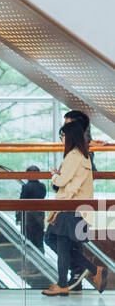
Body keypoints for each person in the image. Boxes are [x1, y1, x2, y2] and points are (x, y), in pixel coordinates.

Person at [42, 116, 108, 296]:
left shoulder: (73, 156)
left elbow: (62, 180)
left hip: (70, 206)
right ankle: (79, 276)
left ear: (70, 137)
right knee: (62, 244)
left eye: (63, 135)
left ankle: (83, 273)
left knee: (55, 241)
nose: (62, 139)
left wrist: (54, 176)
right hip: (76, 207)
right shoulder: (82, 155)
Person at [16, 167, 47, 251]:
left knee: (27, 240)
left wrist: (18, 217)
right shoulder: (42, 187)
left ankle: (29, 260)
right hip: (40, 217)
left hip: (28, 218)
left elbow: (22, 203)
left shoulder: (26, 187)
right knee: (39, 241)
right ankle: (41, 259)